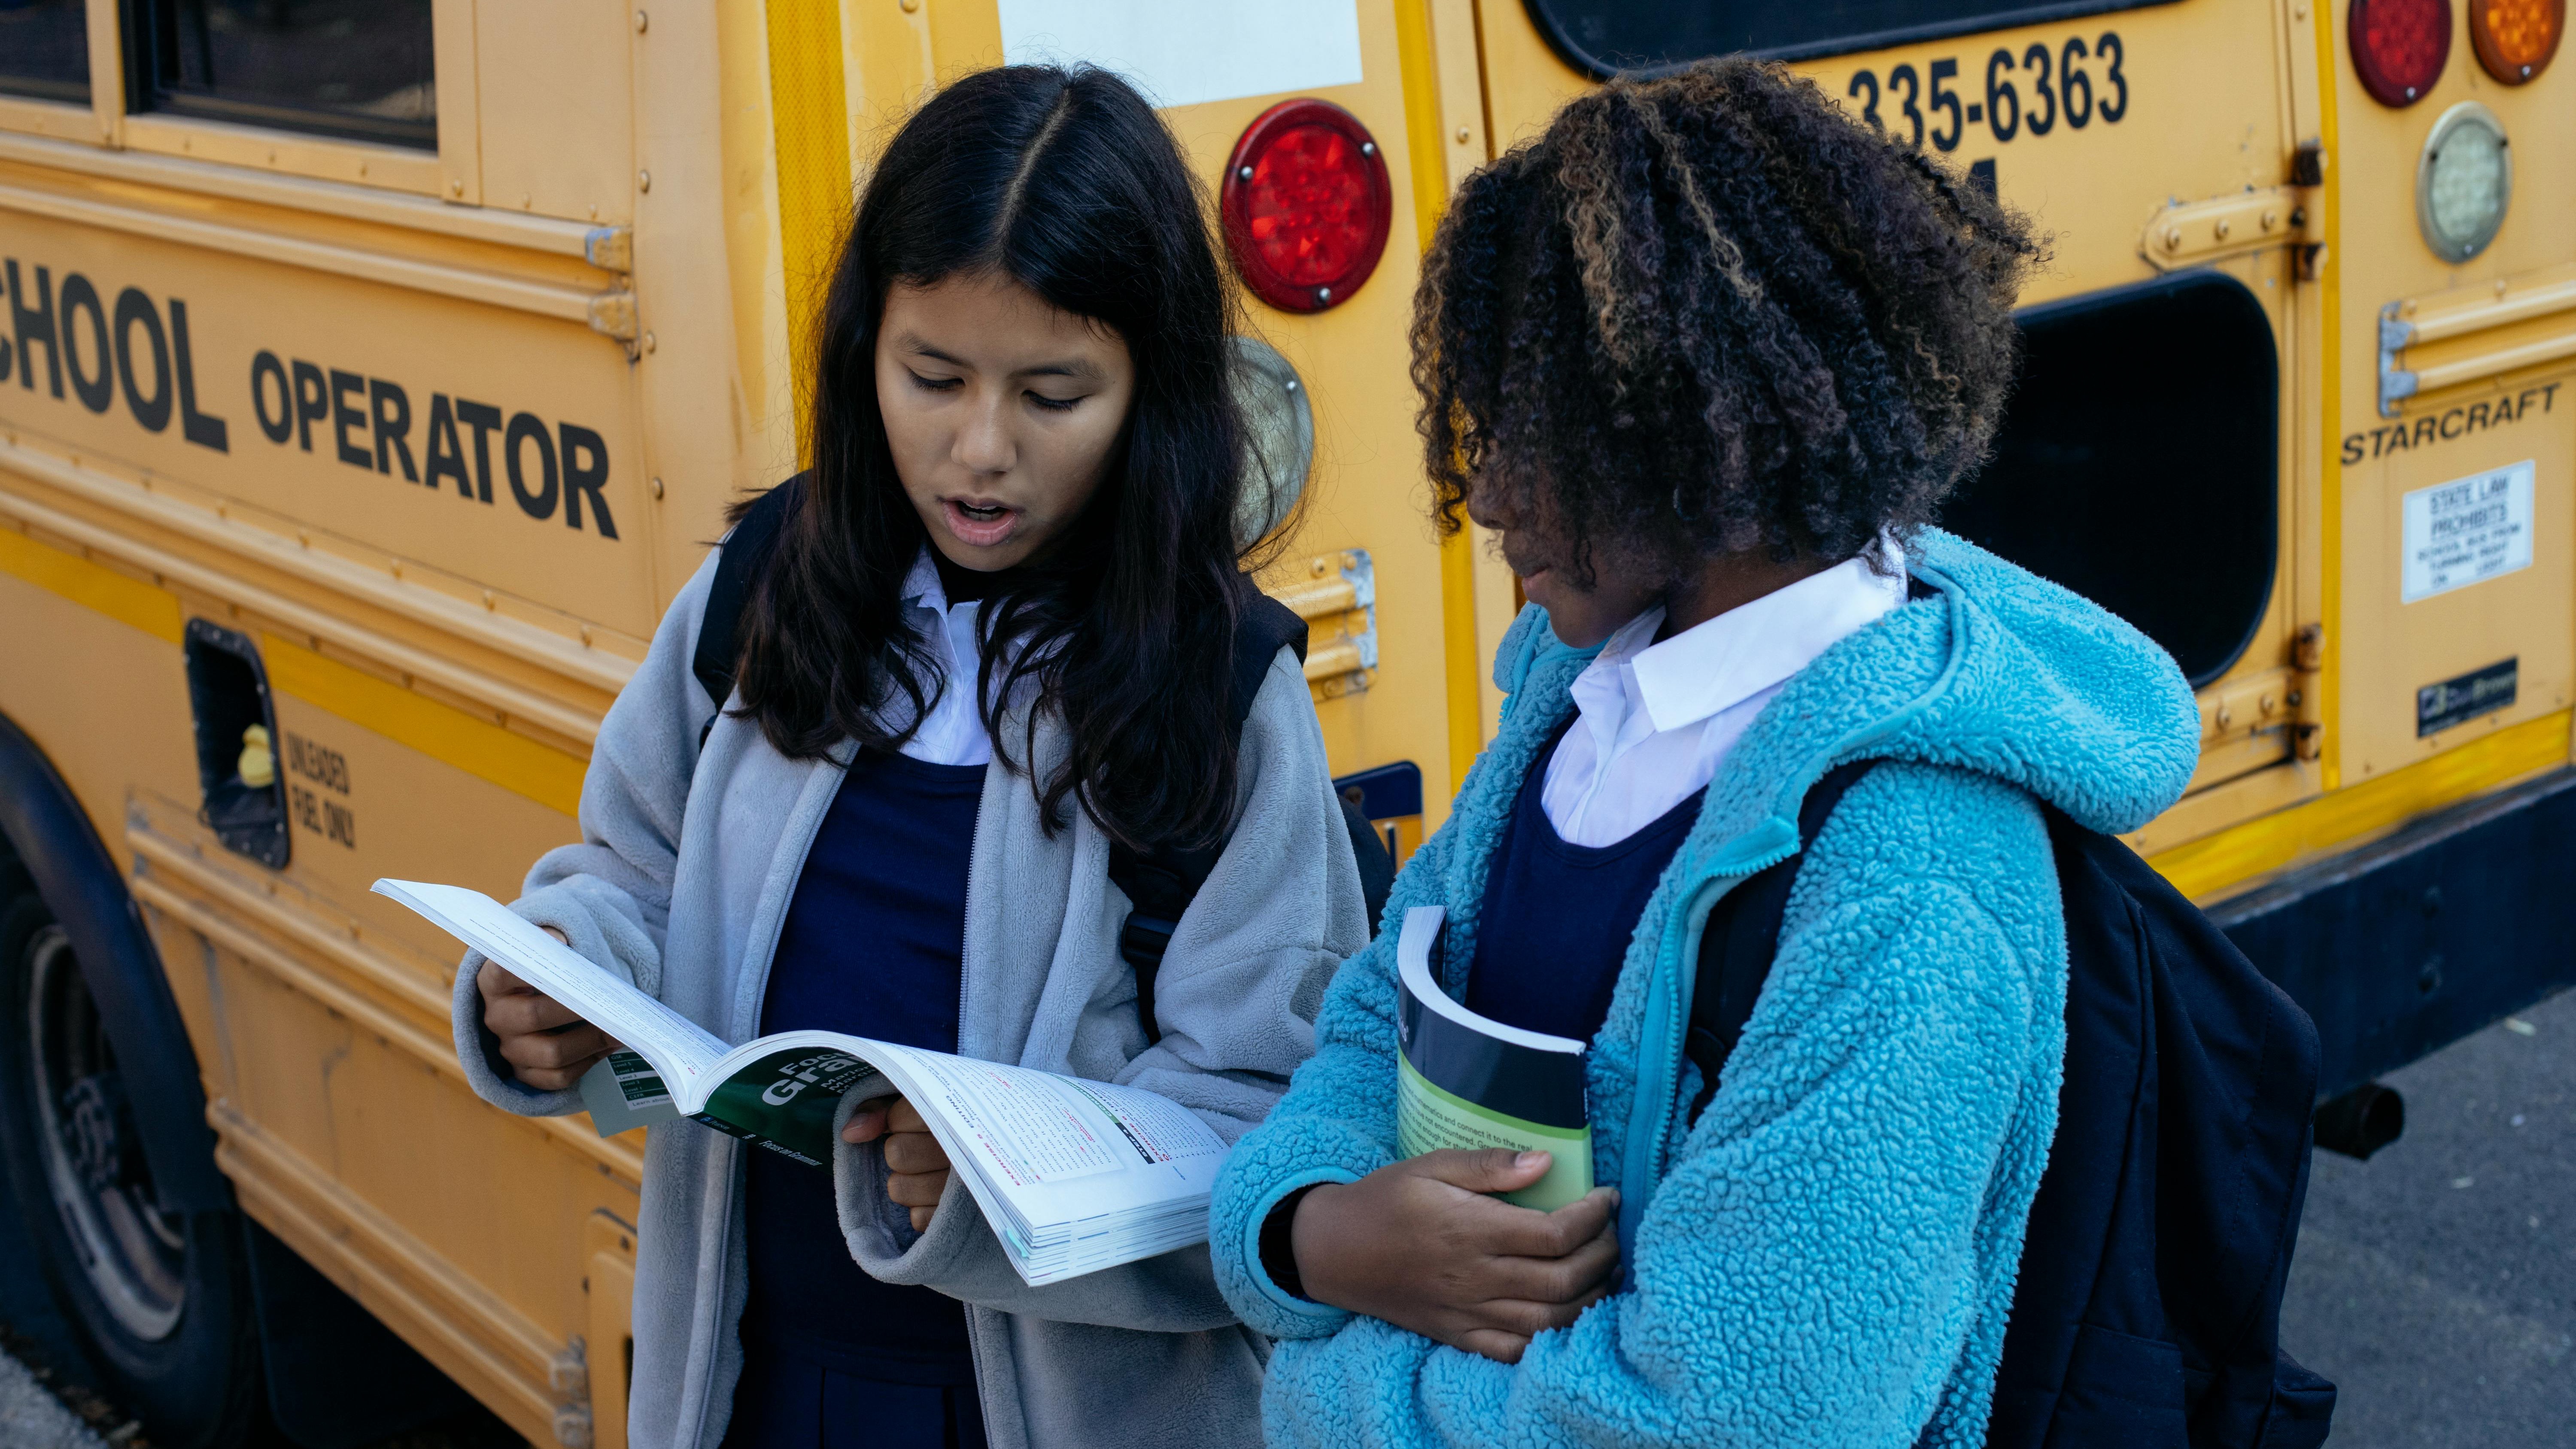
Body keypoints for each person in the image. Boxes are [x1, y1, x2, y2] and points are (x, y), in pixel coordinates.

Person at [1206, 58, 2202, 1448]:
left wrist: (1324, 1394)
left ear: (1706, 444)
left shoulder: (1914, 878)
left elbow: (1738, 1413)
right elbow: (1390, 1002)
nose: (1481, 492)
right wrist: (1313, 1231)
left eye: (1531, 436)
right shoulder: (1581, 682)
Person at [452, 65, 1368, 1449]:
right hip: (752, 1382)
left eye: (1054, 394)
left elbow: (1277, 1111)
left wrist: (1008, 1179)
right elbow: (630, 870)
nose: (979, 451)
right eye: (930, 377)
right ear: (861, 346)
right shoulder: (772, 583)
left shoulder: (1215, 684)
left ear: (1154, 393)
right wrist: (560, 975)